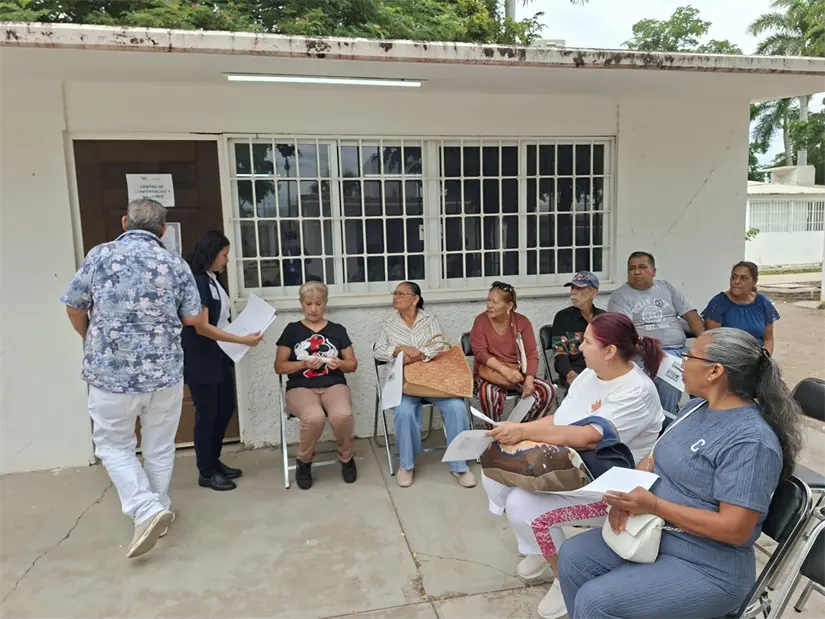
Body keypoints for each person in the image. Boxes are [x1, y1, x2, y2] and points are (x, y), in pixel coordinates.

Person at [557, 328, 803, 619]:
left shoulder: (750, 441)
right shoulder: (697, 407)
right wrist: (625, 499)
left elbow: (736, 529)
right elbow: (653, 456)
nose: (681, 363)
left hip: (707, 565)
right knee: (573, 557)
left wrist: (654, 505)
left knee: (596, 602)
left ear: (715, 371)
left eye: (688, 356)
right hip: (655, 532)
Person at [481, 312, 665, 619]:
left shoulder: (636, 391)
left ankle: (564, 578)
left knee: (524, 506)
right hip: (574, 464)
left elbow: (587, 438)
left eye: (588, 342)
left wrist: (524, 433)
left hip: (610, 482)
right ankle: (538, 547)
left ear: (610, 351)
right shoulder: (590, 376)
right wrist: (515, 431)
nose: (579, 348)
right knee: (496, 476)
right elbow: (560, 420)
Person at [61, 198, 204, 559]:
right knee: (159, 446)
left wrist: (90, 337)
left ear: (125, 222)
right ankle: (158, 508)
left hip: (112, 375)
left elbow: (74, 305)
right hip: (164, 374)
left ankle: (146, 509)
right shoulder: (175, 263)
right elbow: (191, 318)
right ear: (164, 230)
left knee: (112, 446)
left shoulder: (100, 255)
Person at [182, 231, 264, 492]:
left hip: (219, 355)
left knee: (225, 407)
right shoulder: (198, 282)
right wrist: (241, 340)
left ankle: (214, 460)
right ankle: (205, 470)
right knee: (207, 414)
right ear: (211, 253)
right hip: (201, 358)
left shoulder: (213, 280)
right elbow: (202, 327)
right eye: (224, 255)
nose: (226, 260)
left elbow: (221, 320)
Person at [373, 281, 474, 489]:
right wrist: (399, 350)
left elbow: (440, 344)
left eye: (401, 293)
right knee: (403, 412)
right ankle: (407, 465)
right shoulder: (389, 324)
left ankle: (459, 465)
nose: (395, 297)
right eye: (395, 293)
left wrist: (421, 354)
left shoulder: (429, 320)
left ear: (415, 299)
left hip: (433, 380)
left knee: (456, 406)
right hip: (406, 383)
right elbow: (378, 351)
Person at [275, 281, 359, 490]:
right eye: (308, 303)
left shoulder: (337, 331)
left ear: (325, 303)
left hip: (333, 384)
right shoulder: (292, 330)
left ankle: (346, 457)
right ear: (301, 303)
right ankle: (304, 460)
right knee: (314, 417)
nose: (313, 309)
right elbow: (279, 366)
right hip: (300, 387)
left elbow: (352, 364)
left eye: (318, 303)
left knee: (342, 415)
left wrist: (339, 363)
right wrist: (302, 364)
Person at [608, 251, 705, 413]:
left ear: (653, 271)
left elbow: (691, 315)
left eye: (642, 267)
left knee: (705, 371)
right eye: (632, 268)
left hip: (680, 351)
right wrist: (653, 353)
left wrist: (703, 345)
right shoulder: (620, 296)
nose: (636, 272)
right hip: (646, 353)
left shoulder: (666, 288)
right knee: (670, 379)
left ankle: (702, 417)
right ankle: (665, 424)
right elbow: (624, 332)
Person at [471, 281, 556, 424]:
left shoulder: (522, 322)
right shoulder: (481, 321)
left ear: (509, 306)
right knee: (489, 395)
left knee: (547, 390)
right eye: (488, 300)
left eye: (495, 302)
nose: (489, 305)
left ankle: (524, 429)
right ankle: (496, 435)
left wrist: (529, 379)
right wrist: (504, 371)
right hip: (491, 373)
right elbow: (480, 353)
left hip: (517, 374)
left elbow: (531, 355)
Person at [703, 261, 780, 354]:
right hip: (730, 358)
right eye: (734, 277)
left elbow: (768, 339)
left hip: (758, 357)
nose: (737, 282)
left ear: (754, 282)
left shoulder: (763, 302)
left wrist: (765, 359)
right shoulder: (718, 303)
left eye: (744, 278)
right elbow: (714, 342)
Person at [551, 271, 605, 388]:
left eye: (579, 288)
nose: (574, 292)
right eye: (573, 288)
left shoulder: (603, 318)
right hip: (575, 373)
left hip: (601, 372)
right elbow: (559, 353)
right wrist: (570, 375)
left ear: (593, 293)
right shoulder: (562, 317)